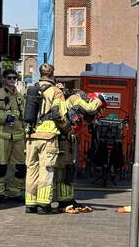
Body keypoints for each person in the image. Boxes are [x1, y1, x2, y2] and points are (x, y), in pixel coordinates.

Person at [24, 64, 105, 214]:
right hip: (49, 136)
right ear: (53, 74)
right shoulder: (56, 92)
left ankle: (30, 204)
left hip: (31, 135)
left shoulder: (32, 89)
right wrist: (68, 128)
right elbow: (58, 114)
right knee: (46, 170)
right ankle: (43, 205)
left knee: (31, 170)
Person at [0, 69, 26, 202]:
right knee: (0, 167)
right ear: (3, 79)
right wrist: (4, 117)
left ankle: (15, 192)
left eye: (15, 78)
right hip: (1, 136)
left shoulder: (20, 96)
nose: (12, 80)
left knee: (21, 168)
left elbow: (24, 116)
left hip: (18, 137)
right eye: (9, 78)